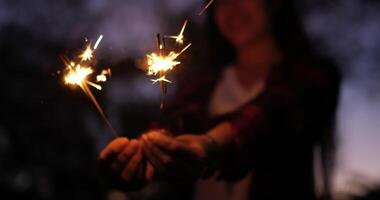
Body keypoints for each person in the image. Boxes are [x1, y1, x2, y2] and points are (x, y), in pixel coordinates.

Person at [100, 0, 340, 199]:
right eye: (220, 0)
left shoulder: (313, 77)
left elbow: (269, 113)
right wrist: (146, 152)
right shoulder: (201, 83)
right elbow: (177, 119)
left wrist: (210, 144)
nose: (231, 7)